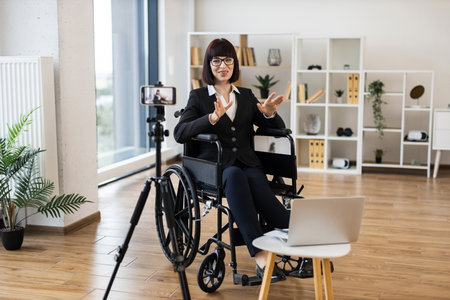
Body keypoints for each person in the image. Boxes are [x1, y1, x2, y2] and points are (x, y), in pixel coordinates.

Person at [174, 38, 289, 280]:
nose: (223, 65)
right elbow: (180, 133)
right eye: (216, 60)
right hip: (215, 167)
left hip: (247, 162)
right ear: (209, 65)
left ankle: (297, 234)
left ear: (234, 64)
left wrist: (269, 114)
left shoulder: (246, 96)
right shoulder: (198, 97)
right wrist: (212, 118)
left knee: (257, 183)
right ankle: (260, 255)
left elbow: (276, 128)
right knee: (235, 175)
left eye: (228, 60)